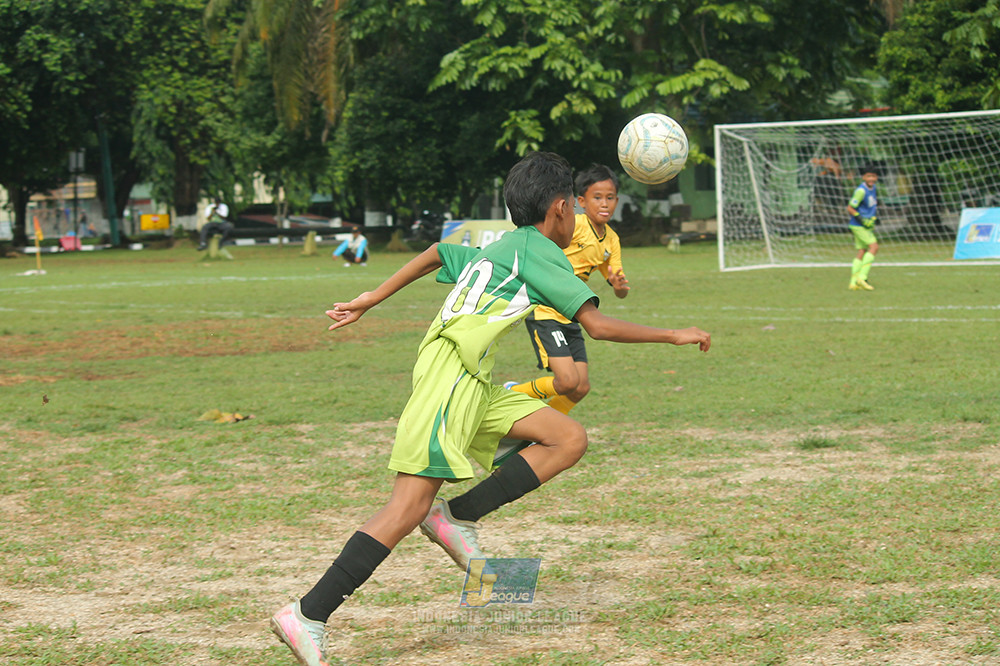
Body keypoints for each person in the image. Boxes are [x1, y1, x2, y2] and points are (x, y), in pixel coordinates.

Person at [268, 151, 711, 666]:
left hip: (472, 382)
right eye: (573, 207)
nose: (576, 216)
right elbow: (598, 326)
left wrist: (373, 296)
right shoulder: (540, 251)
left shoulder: (505, 245)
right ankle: (307, 615)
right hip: (450, 381)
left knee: (567, 438)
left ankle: (457, 515)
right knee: (405, 508)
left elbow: (436, 253)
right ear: (561, 207)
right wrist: (675, 334)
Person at [505, 163, 629, 415]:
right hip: (546, 312)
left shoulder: (612, 240)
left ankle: (542, 426)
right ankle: (511, 393)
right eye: (597, 197)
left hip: (572, 315)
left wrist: (619, 286)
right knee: (567, 381)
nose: (604, 204)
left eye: (610, 198)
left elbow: (619, 288)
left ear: (617, 201)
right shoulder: (576, 224)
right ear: (581, 201)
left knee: (580, 388)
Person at [847, 167, 879, 291]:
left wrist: (872, 218)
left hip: (865, 225)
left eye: (873, 176)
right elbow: (850, 208)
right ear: (863, 177)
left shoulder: (874, 188)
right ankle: (862, 277)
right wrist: (861, 219)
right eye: (868, 176)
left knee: (862, 251)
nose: (871, 179)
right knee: (874, 247)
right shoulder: (861, 190)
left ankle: (853, 282)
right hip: (859, 225)